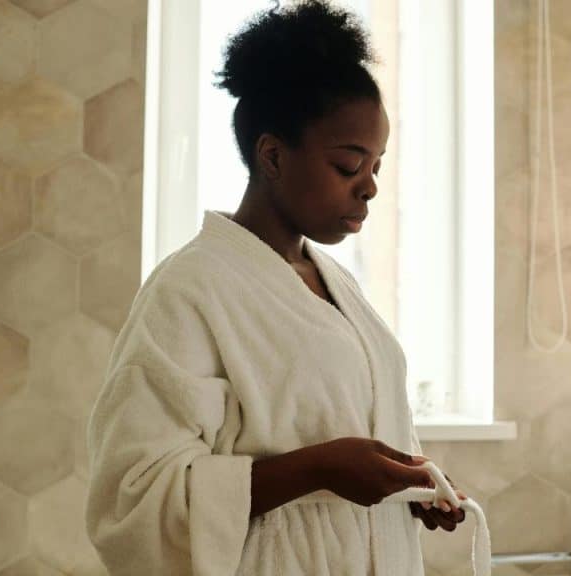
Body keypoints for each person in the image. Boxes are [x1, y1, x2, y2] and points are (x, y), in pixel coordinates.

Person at [85, 1, 467, 573]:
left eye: (376, 167)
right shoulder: (190, 290)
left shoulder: (338, 287)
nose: (368, 189)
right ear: (273, 156)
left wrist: (407, 484)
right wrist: (318, 470)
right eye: (348, 165)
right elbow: (133, 497)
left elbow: (347, 431)